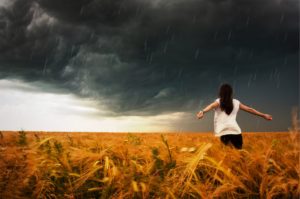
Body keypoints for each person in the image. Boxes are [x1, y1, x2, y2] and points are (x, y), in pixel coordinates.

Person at [196, 83, 272, 149]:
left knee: (227, 156)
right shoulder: (236, 102)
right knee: (238, 155)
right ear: (231, 93)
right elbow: (249, 109)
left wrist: (202, 111)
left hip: (224, 132)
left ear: (221, 92)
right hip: (236, 131)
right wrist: (263, 115)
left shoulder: (219, 101)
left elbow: (211, 106)